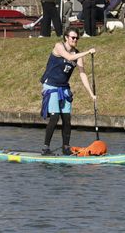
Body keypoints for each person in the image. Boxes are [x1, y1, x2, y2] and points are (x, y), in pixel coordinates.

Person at [39, 27, 97, 155]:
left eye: (77, 38)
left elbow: (83, 75)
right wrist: (88, 52)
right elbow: (69, 57)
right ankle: (46, 148)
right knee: (54, 117)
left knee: (67, 118)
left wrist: (91, 94)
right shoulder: (59, 46)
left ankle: (66, 147)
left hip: (64, 87)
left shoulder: (78, 55)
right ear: (66, 37)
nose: (75, 40)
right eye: (73, 37)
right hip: (51, 86)